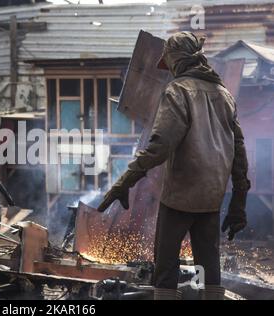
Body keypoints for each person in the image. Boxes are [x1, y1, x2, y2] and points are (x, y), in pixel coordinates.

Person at [97, 32, 250, 300]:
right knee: (207, 269)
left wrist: (124, 182)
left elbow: (160, 146)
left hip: (179, 197)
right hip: (211, 199)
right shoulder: (224, 94)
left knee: (165, 270)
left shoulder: (178, 90)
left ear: (176, 60)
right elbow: (239, 155)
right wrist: (237, 205)